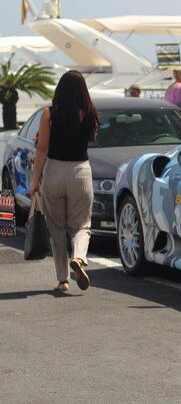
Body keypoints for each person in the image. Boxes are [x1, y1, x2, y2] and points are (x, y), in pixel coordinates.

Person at [30, 70, 100, 292]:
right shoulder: (89, 113)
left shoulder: (49, 114)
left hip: (54, 171)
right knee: (81, 225)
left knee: (57, 228)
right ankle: (78, 257)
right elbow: (91, 138)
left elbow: (42, 149)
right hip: (80, 171)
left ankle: (62, 280)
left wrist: (35, 181)